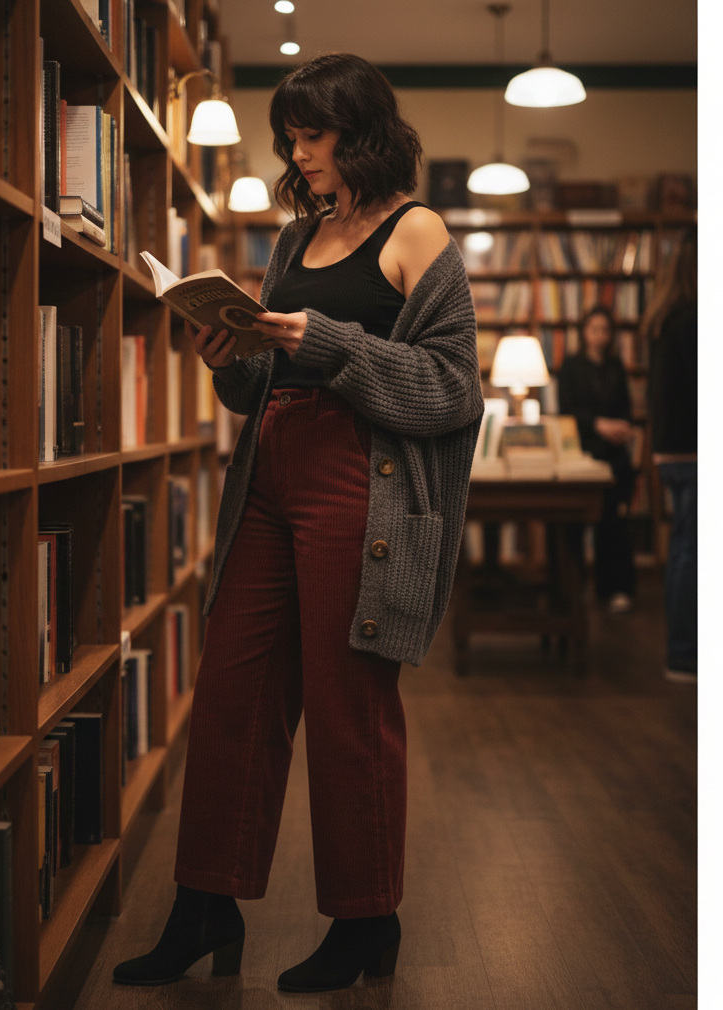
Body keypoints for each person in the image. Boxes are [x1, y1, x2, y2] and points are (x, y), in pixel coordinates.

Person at [112, 53, 483, 993]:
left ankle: (367, 922)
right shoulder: (294, 239)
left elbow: (451, 390)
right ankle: (206, 905)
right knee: (233, 691)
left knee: (351, 706)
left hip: (361, 481)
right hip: (272, 470)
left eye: (312, 133)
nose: (297, 150)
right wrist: (227, 356)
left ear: (358, 130)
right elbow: (260, 386)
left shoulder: (416, 230)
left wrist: (326, 341)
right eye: (291, 135)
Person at [642, 228, 697, 682]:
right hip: (695, 448)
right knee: (691, 550)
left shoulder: (660, 319)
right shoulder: (692, 319)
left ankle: (682, 652)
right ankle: (684, 654)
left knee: (684, 547)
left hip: (668, 447)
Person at [557, 305, 637, 612]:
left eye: (605, 329)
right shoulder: (572, 366)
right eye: (594, 329)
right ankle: (573, 592)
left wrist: (622, 428)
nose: (600, 335)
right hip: (582, 453)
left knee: (613, 524)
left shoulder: (616, 367)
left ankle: (615, 590)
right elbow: (567, 411)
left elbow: (626, 408)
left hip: (614, 457)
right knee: (575, 525)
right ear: (584, 332)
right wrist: (599, 425)